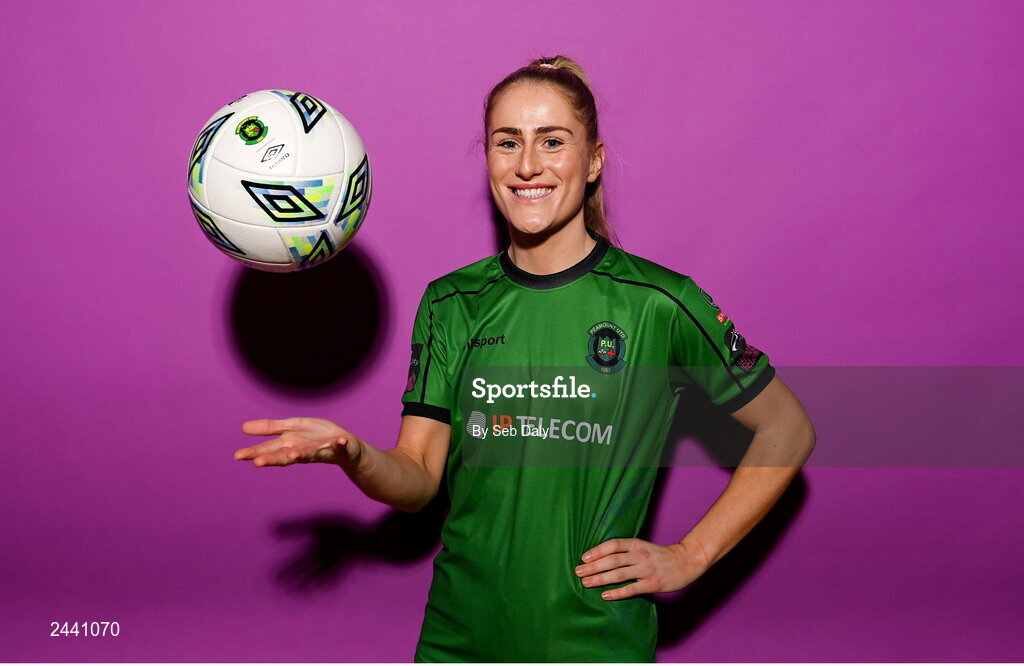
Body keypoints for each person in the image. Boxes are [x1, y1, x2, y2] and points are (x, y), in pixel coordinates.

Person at [234, 55, 816, 662]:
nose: (528, 165)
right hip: (458, 639)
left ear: (593, 160)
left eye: (552, 142)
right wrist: (353, 454)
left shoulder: (659, 304)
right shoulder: (451, 303)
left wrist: (690, 556)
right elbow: (418, 479)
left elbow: (787, 428)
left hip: (594, 644)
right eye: (507, 142)